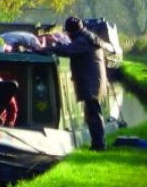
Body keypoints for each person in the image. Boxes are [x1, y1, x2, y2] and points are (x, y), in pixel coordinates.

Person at [46, 16, 114, 150]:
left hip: (91, 82)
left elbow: (67, 50)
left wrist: (47, 49)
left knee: (93, 114)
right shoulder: (88, 37)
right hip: (95, 82)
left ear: (71, 31)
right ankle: (98, 143)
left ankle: (99, 145)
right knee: (93, 113)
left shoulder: (82, 41)